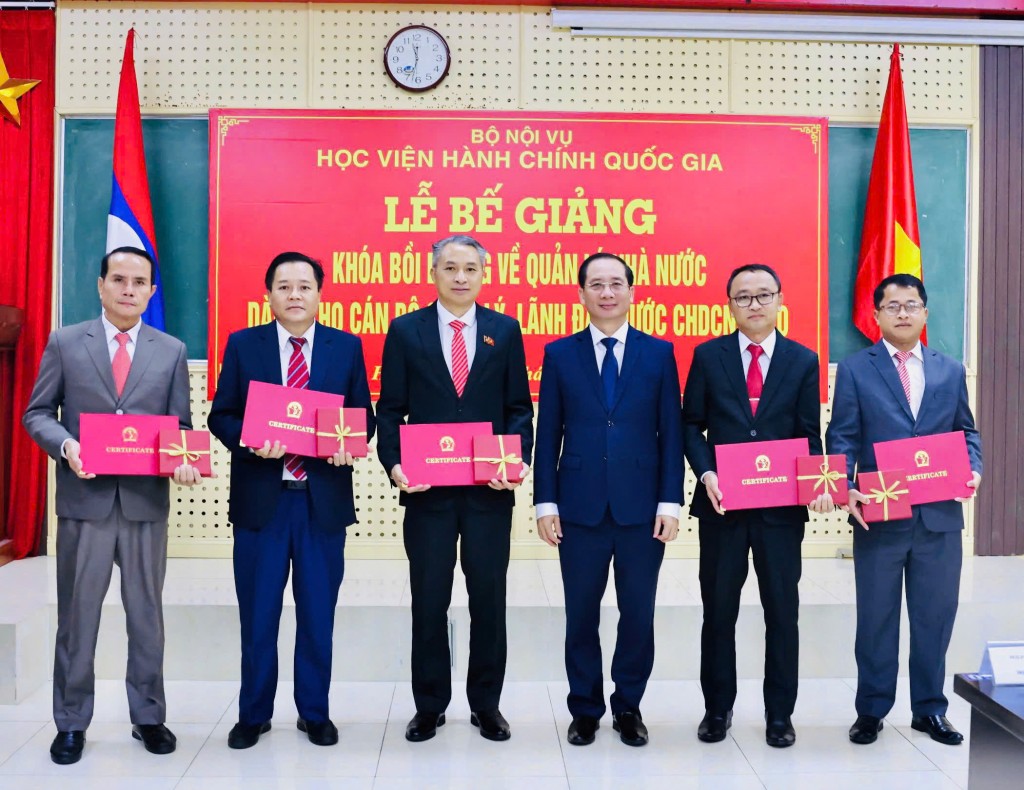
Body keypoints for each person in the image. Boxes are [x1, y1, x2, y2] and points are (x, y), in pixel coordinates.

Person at [23, 246, 199, 765]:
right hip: (86, 501)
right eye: (118, 279)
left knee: (147, 618)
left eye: (138, 282)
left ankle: (148, 716)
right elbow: (38, 414)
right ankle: (71, 722)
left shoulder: (169, 350)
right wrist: (67, 446)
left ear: (150, 290)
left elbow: (180, 427)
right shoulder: (64, 342)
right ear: (100, 285)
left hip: (145, 503)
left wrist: (185, 461)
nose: (128, 289)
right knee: (77, 619)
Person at [208, 251, 375, 749]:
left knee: (318, 614)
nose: (295, 295)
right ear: (269, 295)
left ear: (320, 294)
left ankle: (315, 712)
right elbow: (223, 416)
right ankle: (253, 713)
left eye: (305, 286)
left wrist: (348, 444)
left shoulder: (346, 348)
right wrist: (250, 440)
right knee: (258, 614)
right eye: (285, 286)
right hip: (264, 501)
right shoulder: (244, 345)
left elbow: (360, 415)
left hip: (321, 503)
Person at [376, 234, 533, 743]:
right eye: (450, 268)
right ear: (434, 272)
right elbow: (391, 410)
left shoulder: (504, 331)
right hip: (428, 495)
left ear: (484, 274)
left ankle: (486, 704)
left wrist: (517, 461)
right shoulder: (404, 331)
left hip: (489, 492)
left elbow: (517, 410)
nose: (460, 277)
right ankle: (429, 705)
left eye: (470, 268)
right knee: (429, 599)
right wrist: (395, 464)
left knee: (489, 600)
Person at [533, 253, 683, 748]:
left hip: (643, 510)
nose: (606, 293)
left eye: (616, 283)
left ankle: (629, 706)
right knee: (581, 613)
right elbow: (548, 432)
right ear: (581, 295)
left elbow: (671, 434)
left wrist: (670, 502)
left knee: (638, 612)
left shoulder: (659, 353)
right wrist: (545, 504)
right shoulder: (559, 354)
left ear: (632, 291)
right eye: (596, 285)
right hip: (578, 508)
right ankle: (584, 709)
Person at [826, 273, 982, 747]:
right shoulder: (855, 369)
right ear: (876, 316)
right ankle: (871, 710)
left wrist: (973, 468)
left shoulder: (949, 369)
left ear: (925, 313)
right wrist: (845, 484)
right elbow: (844, 435)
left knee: (935, 616)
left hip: (937, 518)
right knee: (876, 617)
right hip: (880, 513)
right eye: (892, 306)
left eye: (911, 305)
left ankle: (930, 710)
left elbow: (966, 432)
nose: (903, 313)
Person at [683, 263, 830, 748]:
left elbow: (810, 434)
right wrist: (706, 474)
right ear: (729, 305)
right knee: (718, 612)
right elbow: (691, 426)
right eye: (743, 297)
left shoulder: (802, 360)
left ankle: (779, 715)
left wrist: (815, 481)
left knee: (781, 613)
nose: (755, 304)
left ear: (780, 300)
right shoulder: (708, 356)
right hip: (722, 508)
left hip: (780, 513)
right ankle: (717, 710)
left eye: (763, 295)